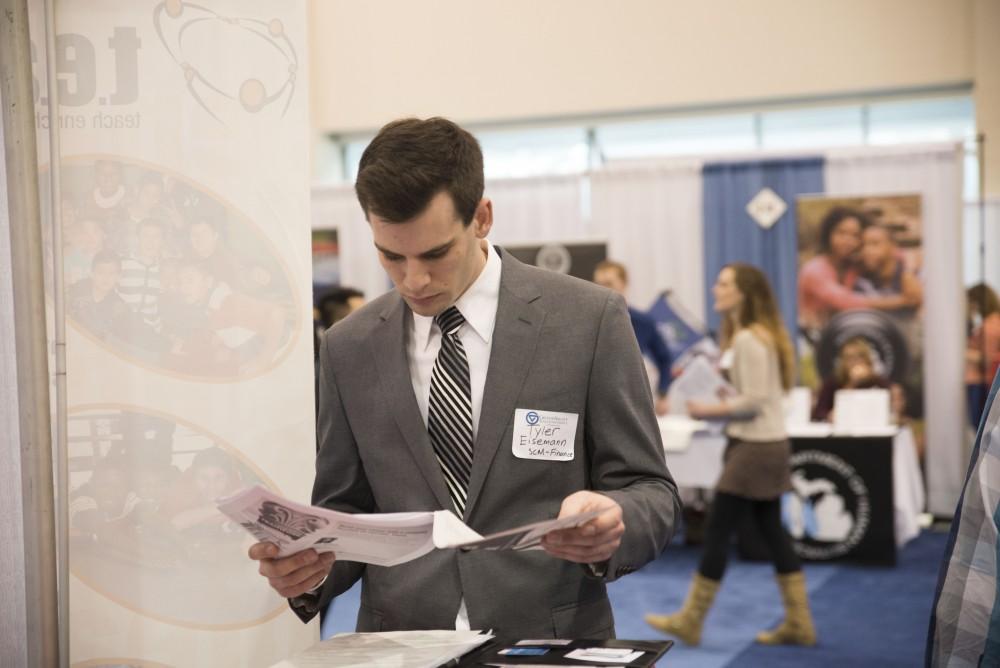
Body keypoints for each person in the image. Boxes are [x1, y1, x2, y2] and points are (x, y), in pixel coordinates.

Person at [247, 117, 680, 637]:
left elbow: (651, 490)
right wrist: (311, 568)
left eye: (435, 253)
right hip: (400, 642)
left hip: (546, 638)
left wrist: (615, 518)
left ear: (482, 218)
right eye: (391, 256)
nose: (414, 279)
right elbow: (347, 506)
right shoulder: (349, 345)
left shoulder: (586, 320)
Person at [645, 263, 817, 647]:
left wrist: (710, 409)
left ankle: (691, 619)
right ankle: (799, 621)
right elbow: (758, 396)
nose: (715, 288)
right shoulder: (756, 335)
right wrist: (727, 398)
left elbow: (755, 402)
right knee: (772, 531)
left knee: (720, 529)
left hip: (754, 447)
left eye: (724, 284)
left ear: (743, 292)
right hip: (764, 444)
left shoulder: (748, 340)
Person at [798, 207, 917, 336]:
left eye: (855, 235)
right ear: (829, 234)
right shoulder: (814, 270)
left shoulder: (853, 265)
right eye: (841, 233)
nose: (848, 241)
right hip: (808, 334)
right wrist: (904, 300)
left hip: (841, 332)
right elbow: (848, 302)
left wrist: (908, 271)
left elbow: (901, 253)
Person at [592, 260, 672, 415]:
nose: (602, 289)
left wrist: (663, 393)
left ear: (624, 283)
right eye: (598, 283)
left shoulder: (643, 322)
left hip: (632, 404)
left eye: (608, 283)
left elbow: (664, 359)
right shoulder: (585, 321)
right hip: (597, 404)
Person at [811, 336, 904, 423]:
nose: (855, 362)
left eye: (859, 357)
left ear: (867, 360)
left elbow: (894, 409)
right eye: (849, 358)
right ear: (842, 361)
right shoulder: (832, 383)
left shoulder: (878, 381)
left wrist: (896, 401)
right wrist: (852, 384)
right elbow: (818, 414)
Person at [964, 283, 1000, 427]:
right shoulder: (994, 322)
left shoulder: (988, 327)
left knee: (979, 426)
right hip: (983, 383)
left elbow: (988, 360)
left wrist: (961, 352)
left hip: (980, 383)